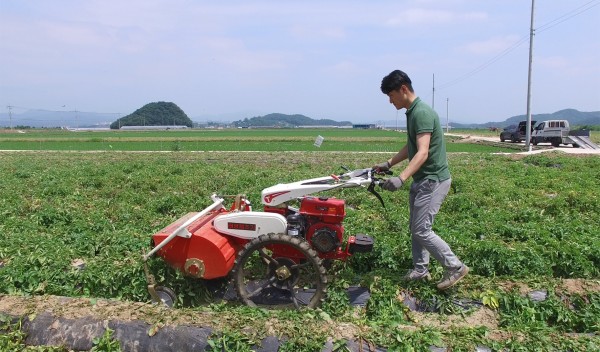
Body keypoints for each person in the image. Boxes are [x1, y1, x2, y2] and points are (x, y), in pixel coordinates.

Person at [374, 69, 469, 290]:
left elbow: (423, 152)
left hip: (433, 180)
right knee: (416, 228)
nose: (390, 101)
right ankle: (420, 269)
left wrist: (401, 178)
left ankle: (455, 267)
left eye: (391, 95)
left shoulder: (422, 113)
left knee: (421, 230)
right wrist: (388, 164)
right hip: (423, 179)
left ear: (403, 89)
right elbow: (411, 146)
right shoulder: (413, 112)